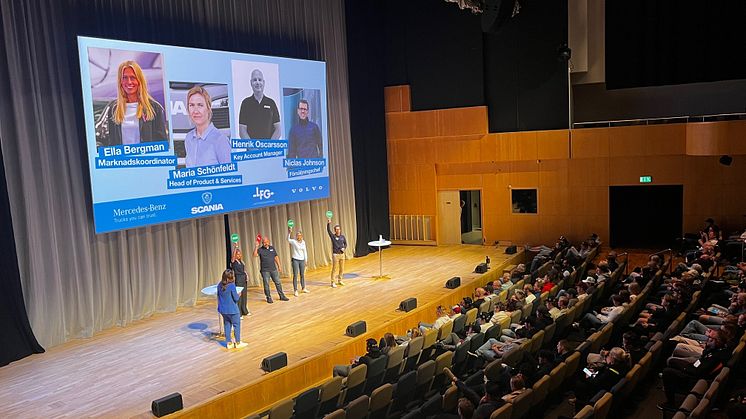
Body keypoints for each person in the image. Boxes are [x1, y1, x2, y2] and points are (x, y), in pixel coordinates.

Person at [95, 60, 169, 147]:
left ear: (139, 81)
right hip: (123, 160)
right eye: (125, 78)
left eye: (133, 77)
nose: (129, 82)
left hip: (146, 160)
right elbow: (113, 145)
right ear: (120, 81)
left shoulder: (154, 108)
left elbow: (162, 144)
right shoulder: (114, 109)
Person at [184, 85, 231, 167]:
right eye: (191, 105)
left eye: (200, 105)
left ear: (208, 108)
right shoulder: (189, 138)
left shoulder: (220, 140)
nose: (195, 111)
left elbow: (230, 176)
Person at [238, 69, 280, 139]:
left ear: (263, 82)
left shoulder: (271, 103)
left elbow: (278, 129)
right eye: (255, 80)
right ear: (251, 83)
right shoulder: (245, 103)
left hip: (269, 149)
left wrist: (269, 147)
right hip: (252, 149)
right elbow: (242, 131)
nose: (257, 82)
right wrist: (253, 148)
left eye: (260, 80)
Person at [217, 269, 247, 349]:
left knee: (227, 325)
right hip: (233, 310)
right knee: (236, 325)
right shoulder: (232, 285)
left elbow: (219, 297)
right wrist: (239, 294)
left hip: (223, 310)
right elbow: (236, 298)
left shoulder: (219, 285)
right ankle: (238, 342)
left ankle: (229, 343)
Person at [253, 236, 289, 303]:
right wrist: (256, 246)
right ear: (262, 243)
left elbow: (276, 257)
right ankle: (268, 297)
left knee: (278, 282)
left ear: (268, 241)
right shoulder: (260, 250)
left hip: (273, 269)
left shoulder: (272, 248)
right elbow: (255, 255)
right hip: (265, 270)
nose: (265, 243)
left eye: (266, 242)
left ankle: (282, 296)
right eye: (264, 242)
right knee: (266, 284)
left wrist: (279, 266)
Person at [287, 227, 309, 296]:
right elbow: (288, 240)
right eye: (297, 235)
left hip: (302, 260)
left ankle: (303, 288)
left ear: (301, 236)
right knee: (295, 275)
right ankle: (295, 290)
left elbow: (305, 251)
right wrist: (289, 232)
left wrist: (306, 260)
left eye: (299, 235)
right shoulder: (294, 241)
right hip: (295, 260)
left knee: (302, 274)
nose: (298, 236)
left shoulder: (303, 242)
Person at [327, 217, 347, 287]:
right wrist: (328, 223)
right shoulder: (333, 236)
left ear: (340, 230)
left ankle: (340, 280)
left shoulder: (342, 237)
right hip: (335, 255)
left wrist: (344, 248)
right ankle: (333, 282)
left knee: (342, 268)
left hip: (342, 255)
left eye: (339, 229)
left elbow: (345, 244)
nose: (338, 230)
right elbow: (328, 231)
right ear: (335, 231)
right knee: (334, 268)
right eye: (336, 229)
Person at [231, 247, 250, 317]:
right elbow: (233, 257)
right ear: (235, 255)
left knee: (244, 295)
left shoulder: (241, 262)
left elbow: (244, 270)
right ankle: (239, 313)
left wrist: (247, 275)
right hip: (238, 280)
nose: (239, 255)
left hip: (243, 279)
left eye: (240, 254)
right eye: (238, 254)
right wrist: (235, 247)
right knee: (239, 296)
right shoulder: (234, 262)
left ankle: (244, 310)